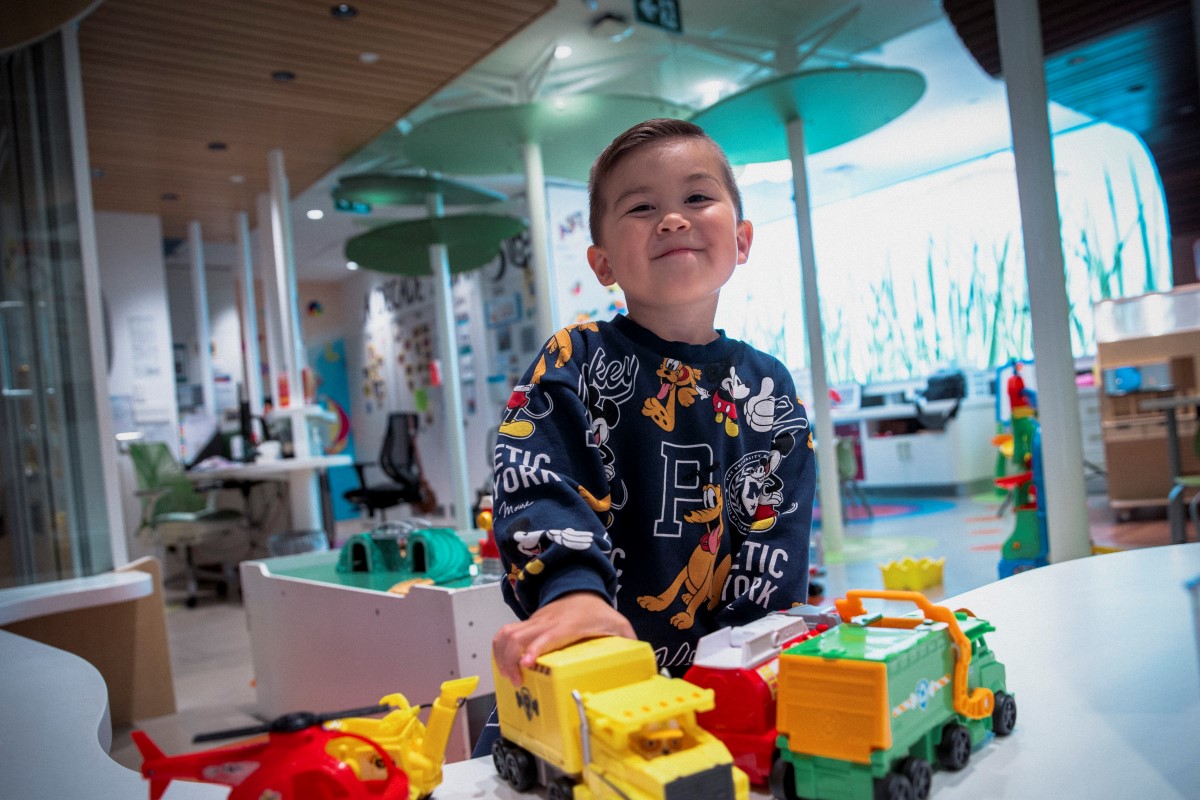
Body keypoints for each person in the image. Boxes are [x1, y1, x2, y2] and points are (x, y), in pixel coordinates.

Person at [478, 118, 815, 753]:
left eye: (696, 198)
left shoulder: (771, 390)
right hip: (587, 683)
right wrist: (570, 590)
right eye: (641, 207)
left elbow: (776, 544)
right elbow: (535, 477)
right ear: (602, 262)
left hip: (726, 699)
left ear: (741, 240)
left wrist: (757, 661)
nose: (672, 220)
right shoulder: (575, 359)